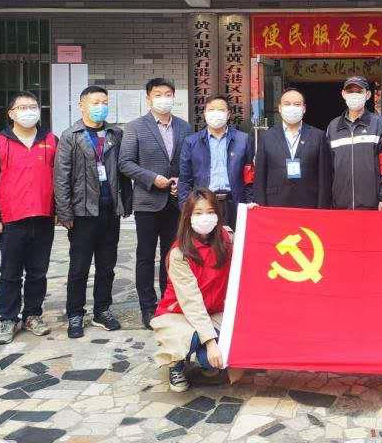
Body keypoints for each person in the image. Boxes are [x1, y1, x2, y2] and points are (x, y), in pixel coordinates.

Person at [55, 85, 132, 339]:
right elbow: (61, 177)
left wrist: (126, 202)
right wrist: (64, 213)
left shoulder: (115, 134)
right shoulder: (71, 136)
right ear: (82, 105)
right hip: (82, 213)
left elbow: (123, 171)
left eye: (104, 102)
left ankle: (102, 310)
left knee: (107, 266)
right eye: (95, 102)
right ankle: (75, 313)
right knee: (79, 267)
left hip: (110, 211)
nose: (101, 107)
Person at [0, 91, 57, 345]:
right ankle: (8, 318)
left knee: (38, 272)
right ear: (11, 114)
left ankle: (33, 315)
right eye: (22, 107)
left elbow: (60, 178)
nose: (29, 111)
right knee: (10, 272)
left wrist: (60, 211)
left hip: (43, 217)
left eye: (33, 106)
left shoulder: (51, 140)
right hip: (11, 220)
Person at [119, 78, 192, 330]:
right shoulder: (135, 127)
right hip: (148, 202)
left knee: (172, 255)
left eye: (168, 94)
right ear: (148, 98)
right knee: (145, 256)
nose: (164, 98)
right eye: (158, 94)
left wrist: (181, 181)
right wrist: (153, 179)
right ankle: (147, 306)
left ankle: (168, 301)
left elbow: (188, 161)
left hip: (175, 202)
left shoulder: (184, 127)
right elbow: (125, 163)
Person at [151, 189, 231, 392]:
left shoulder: (226, 239)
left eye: (210, 212)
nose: (205, 217)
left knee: (215, 359)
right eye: (198, 213)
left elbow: (251, 246)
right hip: (180, 313)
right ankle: (176, 364)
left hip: (215, 311)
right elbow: (191, 302)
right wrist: (210, 343)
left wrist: (254, 215)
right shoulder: (179, 252)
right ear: (188, 216)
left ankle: (205, 358)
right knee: (193, 340)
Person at [179, 95, 255, 230]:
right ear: (205, 114)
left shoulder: (243, 140)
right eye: (211, 109)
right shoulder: (191, 142)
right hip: (204, 204)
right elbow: (185, 180)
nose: (216, 113)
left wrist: (250, 202)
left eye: (221, 110)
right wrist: (186, 207)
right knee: (207, 242)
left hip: (235, 203)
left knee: (234, 241)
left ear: (228, 114)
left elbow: (249, 177)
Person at [326, 76, 382, 210]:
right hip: (340, 205)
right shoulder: (333, 127)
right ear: (343, 94)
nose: (354, 95)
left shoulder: (379, 124)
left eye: (359, 91)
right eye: (350, 91)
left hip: (372, 205)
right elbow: (328, 169)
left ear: (368, 95)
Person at [253, 88, 331, 208]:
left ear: (304, 108)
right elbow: (260, 178)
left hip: (309, 204)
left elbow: (324, 178)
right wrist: (261, 208)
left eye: (297, 104)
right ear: (280, 108)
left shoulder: (318, 136)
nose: (292, 108)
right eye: (287, 104)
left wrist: (322, 209)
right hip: (275, 204)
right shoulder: (266, 137)